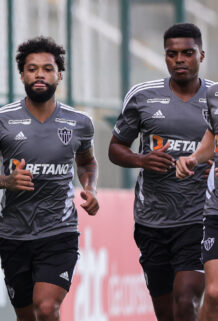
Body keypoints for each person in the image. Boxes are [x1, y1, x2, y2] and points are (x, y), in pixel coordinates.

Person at [0, 36, 99, 321]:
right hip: (14, 234)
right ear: (22, 74)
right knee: (27, 315)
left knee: (47, 307)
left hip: (59, 231)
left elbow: (87, 162)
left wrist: (90, 188)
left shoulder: (79, 123)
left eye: (47, 68)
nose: (40, 74)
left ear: (59, 75)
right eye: (32, 68)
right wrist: (6, 181)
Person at [108, 23, 212, 321]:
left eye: (187, 53)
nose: (179, 59)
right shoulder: (142, 96)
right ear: (165, 57)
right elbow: (115, 148)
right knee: (167, 312)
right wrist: (142, 160)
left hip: (199, 217)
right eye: (172, 54)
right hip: (152, 219)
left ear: (201, 55)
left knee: (186, 298)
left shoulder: (215, 97)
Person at [177, 82, 218, 321]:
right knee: (213, 293)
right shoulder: (214, 94)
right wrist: (193, 158)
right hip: (215, 208)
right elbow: (211, 141)